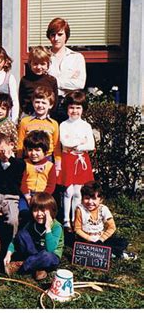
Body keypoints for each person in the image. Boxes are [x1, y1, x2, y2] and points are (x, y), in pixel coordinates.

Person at [4, 192, 64, 281]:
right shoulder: (32, 223)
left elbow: (50, 249)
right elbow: (16, 238)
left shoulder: (56, 227)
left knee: (47, 256)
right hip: (34, 251)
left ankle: (22, 265)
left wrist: (48, 228)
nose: (39, 214)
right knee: (22, 234)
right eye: (35, 210)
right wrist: (9, 253)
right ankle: (38, 267)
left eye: (43, 210)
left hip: (50, 254)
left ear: (51, 210)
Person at [58, 91, 95, 231]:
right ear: (67, 108)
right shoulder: (63, 125)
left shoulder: (86, 126)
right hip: (68, 159)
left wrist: (77, 144)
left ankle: (76, 219)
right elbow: (65, 142)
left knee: (78, 192)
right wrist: (80, 140)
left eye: (78, 108)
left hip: (81, 160)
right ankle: (66, 220)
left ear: (83, 109)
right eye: (72, 107)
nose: (75, 111)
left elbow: (91, 145)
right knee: (68, 191)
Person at [74, 181, 137, 260]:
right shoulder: (80, 210)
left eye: (94, 198)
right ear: (82, 198)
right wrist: (89, 238)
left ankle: (111, 253)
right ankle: (116, 255)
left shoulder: (103, 209)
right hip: (86, 240)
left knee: (121, 242)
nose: (90, 202)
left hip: (100, 238)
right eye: (86, 198)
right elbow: (77, 229)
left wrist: (101, 239)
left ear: (100, 199)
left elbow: (112, 227)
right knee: (86, 247)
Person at [46, 17, 87, 122]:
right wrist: (69, 81)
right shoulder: (44, 57)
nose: (56, 38)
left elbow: (79, 84)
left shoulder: (76, 57)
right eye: (53, 35)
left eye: (60, 34)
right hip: (48, 106)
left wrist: (53, 80)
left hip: (70, 105)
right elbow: (42, 83)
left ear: (66, 36)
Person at [17, 86, 61, 174]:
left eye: (44, 103)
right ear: (33, 103)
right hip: (29, 158)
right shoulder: (25, 122)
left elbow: (56, 146)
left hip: (47, 159)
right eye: (37, 102)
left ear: (50, 105)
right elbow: (20, 143)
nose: (40, 105)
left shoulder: (54, 124)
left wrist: (57, 166)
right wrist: (18, 161)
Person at [20, 130, 57, 224]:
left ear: (45, 151)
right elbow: (22, 181)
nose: (33, 153)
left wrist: (41, 197)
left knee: (44, 214)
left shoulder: (50, 166)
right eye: (30, 150)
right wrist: (28, 197)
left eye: (37, 150)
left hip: (43, 196)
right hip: (26, 196)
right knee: (24, 213)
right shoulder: (24, 163)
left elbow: (51, 185)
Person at [18, 46, 58, 117]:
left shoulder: (52, 80)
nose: (39, 67)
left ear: (48, 64)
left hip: (46, 115)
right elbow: (21, 100)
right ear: (30, 64)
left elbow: (55, 102)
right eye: (35, 64)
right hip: (28, 115)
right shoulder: (25, 80)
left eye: (42, 64)